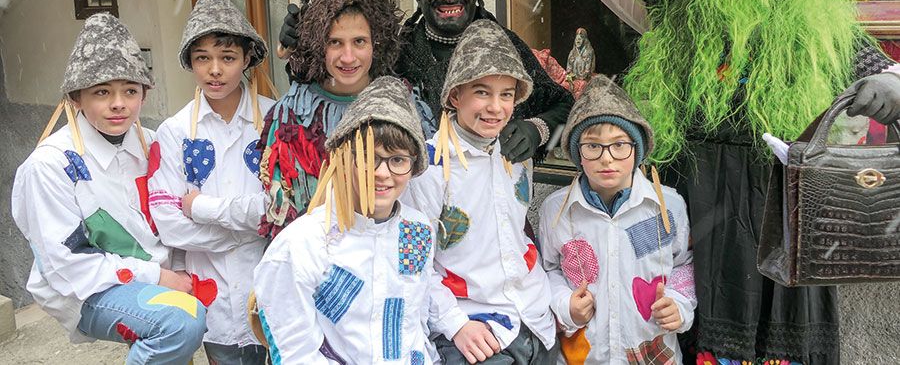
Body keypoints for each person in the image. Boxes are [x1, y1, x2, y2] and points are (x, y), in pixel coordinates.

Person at [571, 0, 900, 363]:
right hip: (698, 201)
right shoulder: (674, 12)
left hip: (785, 210)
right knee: (688, 314)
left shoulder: (819, 28)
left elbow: (886, 70)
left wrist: (891, 83)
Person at [11, 13, 207, 364]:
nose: (119, 103)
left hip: (159, 272)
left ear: (144, 95)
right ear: (76, 97)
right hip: (87, 288)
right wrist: (159, 276)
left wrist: (176, 270)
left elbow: (172, 219)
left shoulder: (152, 144)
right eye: (102, 92)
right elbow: (66, 264)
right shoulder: (50, 165)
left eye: (130, 91)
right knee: (180, 323)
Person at [280, 0, 574, 164]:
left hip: (496, 190)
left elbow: (565, 106)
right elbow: (342, 85)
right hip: (418, 195)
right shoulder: (398, 50)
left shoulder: (504, 46)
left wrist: (538, 130)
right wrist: (304, 43)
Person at [253, 76, 437, 364]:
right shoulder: (301, 245)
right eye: (368, 157)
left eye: (398, 160)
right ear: (343, 158)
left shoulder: (419, 230)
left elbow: (416, 323)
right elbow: (296, 353)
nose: (382, 173)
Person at [405, 19, 557, 365]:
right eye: (482, 92)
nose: (496, 107)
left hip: (536, 319)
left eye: (507, 95)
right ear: (455, 95)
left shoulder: (516, 154)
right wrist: (455, 324)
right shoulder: (429, 167)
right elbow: (413, 263)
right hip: (475, 327)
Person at [259, 0, 435, 239]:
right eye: (335, 42)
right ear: (319, 45)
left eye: (359, 41)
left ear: (377, 44)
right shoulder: (293, 113)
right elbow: (281, 205)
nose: (348, 57)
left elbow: (425, 191)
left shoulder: (403, 105)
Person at [149, 0, 273, 364]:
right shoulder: (174, 132)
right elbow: (170, 225)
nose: (215, 70)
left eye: (228, 57)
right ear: (190, 61)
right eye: (203, 58)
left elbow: (283, 209)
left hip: (273, 288)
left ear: (247, 59)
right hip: (213, 297)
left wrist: (203, 208)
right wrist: (249, 230)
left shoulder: (276, 122)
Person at [539, 75, 695, 364]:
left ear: (637, 149)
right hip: (585, 356)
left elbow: (684, 264)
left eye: (619, 144)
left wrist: (680, 305)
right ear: (577, 153)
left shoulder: (667, 206)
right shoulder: (556, 209)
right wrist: (565, 305)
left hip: (651, 353)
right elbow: (549, 269)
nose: (607, 158)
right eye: (593, 146)